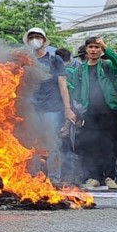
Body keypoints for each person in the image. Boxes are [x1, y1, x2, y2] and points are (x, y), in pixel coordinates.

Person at [66, 37, 117, 190]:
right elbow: (76, 90)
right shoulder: (80, 69)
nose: (94, 50)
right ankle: (95, 176)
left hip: (108, 110)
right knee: (92, 145)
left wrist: (107, 47)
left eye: (97, 47)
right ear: (86, 50)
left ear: (101, 50)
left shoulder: (107, 65)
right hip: (89, 112)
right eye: (91, 47)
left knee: (108, 144)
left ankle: (110, 176)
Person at [23, 28, 76, 184]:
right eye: (31, 37)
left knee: (52, 142)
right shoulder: (25, 59)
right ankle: (34, 177)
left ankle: (54, 179)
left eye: (38, 37)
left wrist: (67, 109)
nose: (35, 40)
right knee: (33, 143)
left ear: (44, 40)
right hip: (32, 108)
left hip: (51, 108)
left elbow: (63, 85)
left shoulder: (54, 59)